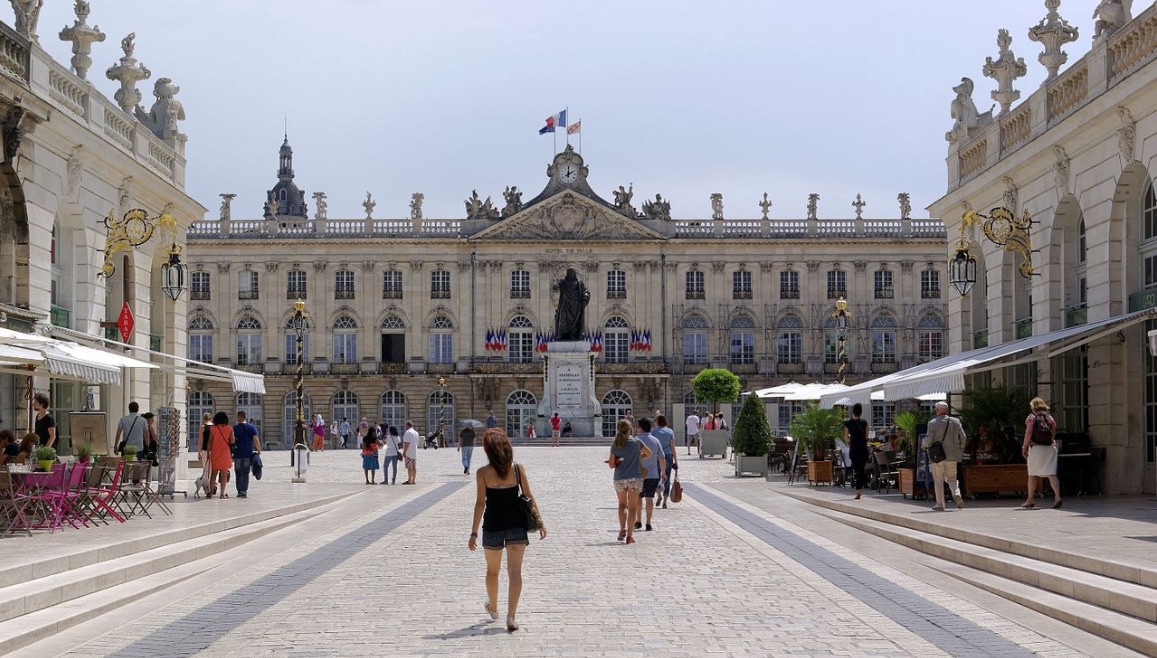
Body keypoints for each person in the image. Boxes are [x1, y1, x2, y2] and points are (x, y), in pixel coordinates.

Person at [468, 428, 547, 633]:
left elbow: (480, 503)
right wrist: (540, 523)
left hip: (493, 526)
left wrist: (474, 532)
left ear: (488, 449)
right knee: (515, 572)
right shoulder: (517, 469)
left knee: (492, 571)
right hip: (516, 526)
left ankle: (493, 608)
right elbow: (529, 497)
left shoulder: (482, 473)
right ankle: (511, 617)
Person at [608, 418, 650, 544]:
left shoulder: (615, 444)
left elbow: (611, 465)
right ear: (630, 429)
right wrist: (638, 457)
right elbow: (649, 453)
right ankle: (630, 536)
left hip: (620, 478)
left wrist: (619, 461)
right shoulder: (636, 442)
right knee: (632, 507)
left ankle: (622, 529)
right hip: (634, 478)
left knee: (622, 505)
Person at [922, 401, 967, 511]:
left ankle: (940, 504)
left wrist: (924, 445)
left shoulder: (932, 422)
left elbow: (929, 438)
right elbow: (963, 437)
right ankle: (956, 493)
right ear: (946, 410)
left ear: (937, 410)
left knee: (938, 480)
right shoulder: (956, 421)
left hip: (938, 455)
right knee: (952, 478)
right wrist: (960, 448)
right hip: (952, 455)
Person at [1022, 397, 1062, 509]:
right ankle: (1058, 497)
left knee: (1032, 474)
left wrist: (1024, 446)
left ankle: (1030, 499)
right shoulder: (1050, 417)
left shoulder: (1032, 417)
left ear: (1033, 406)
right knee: (1051, 473)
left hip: (1036, 447)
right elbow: (1053, 432)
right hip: (1050, 447)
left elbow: (1029, 432)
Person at [635, 418, 665, 532]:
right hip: (653, 474)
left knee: (638, 498)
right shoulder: (655, 440)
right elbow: (661, 458)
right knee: (649, 498)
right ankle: (648, 523)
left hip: (638, 474)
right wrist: (663, 473)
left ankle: (638, 521)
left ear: (640, 428)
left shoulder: (636, 440)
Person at [232, 410, 262, 498]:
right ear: (245, 417)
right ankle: (243, 491)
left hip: (237, 454)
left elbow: (232, 441)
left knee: (238, 473)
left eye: (237, 417)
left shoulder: (234, 428)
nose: (237, 418)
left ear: (239, 417)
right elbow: (256, 439)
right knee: (245, 473)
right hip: (248, 454)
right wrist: (259, 450)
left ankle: (239, 490)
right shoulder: (251, 427)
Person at [844, 403, 870, 499]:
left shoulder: (848, 423)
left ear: (853, 412)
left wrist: (851, 440)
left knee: (857, 469)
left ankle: (858, 489)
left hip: (854, 449)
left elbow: (846, 438)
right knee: (861, 470)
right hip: (863, 448)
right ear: (861, 412)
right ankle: (859, 489)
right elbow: (866, 437)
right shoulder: (865, 422)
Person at [207, 411, 235, 499]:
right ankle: (222, 494)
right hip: (225, 453)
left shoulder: (213, 428)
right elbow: (232, 441)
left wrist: (208, 452)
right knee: (224, 475)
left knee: (213, 474)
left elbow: (210, 441)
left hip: (215, 452)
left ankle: (211, 492)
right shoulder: (229, 428)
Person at [652, 415, 677, 508]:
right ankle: (665, 501)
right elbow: (673, 447)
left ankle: (659, 495)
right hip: (668, 455)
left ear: (658, 421)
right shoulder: (670, 431)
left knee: (656, 477)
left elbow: (652, 445)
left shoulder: (654, 431)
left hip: (657, 456)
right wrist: (676, 461)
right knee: (667, 477)